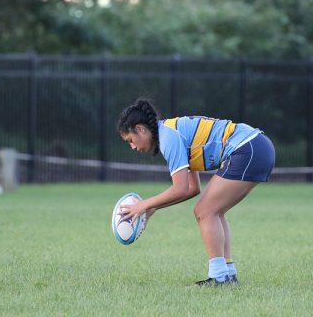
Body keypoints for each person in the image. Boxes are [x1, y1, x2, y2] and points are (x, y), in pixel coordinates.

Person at [117, 98, 276, 286]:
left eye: (131, 140)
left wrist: (144, 204)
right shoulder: (171, 133)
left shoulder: (168, 138)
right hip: (256, 146)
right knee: (213, 211)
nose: (133, 147)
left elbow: (180, 188)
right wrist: (153, 208)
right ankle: (227, 274)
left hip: (248, 149)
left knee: (205, 211)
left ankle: (219, 278)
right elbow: (192, 189)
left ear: (141, 129)